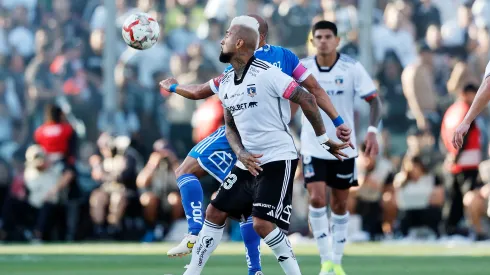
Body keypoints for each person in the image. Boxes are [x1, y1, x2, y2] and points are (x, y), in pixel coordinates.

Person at [159, 14, 352, 275]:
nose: (221, 40)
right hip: (247, 159)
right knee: (214, 211)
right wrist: (240, 152)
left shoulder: (269, 71)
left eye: (227, 36)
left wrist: (323, 138)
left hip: (277, 157)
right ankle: (192, 272)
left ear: (240, 43)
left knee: (262, 224)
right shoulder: (226, 81)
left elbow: (307, 97)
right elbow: (229, 127)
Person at [300, 21, 382, 275]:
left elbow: (374, 100)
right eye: (319, 37)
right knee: (316, 197)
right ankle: (325, 260)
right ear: (313, 41)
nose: (324, 41)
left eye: (328, 36)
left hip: (344, 147)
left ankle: (337, 260)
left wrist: (372, 132)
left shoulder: (351, 67)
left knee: (339, 203)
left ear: (337, 41)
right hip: (312, 145)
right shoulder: (303, 68)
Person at [453, 61, 490, 149]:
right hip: (470, 106)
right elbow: (452, 86)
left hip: (477, 107)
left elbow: (488, 86)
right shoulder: (461, 68)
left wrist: (466, 121)